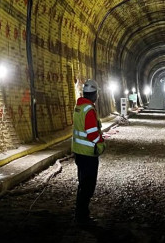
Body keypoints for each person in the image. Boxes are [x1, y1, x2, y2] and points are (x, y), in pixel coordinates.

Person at [71, 79, 107, 226]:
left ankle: (81, 214)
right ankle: (82, 217)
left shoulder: (79, 107)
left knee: (82, 183)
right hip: (88, 153)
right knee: (88, 186)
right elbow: (92, 133)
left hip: (79, 152)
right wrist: (101, 144)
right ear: (94, 94)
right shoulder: (89, 110)